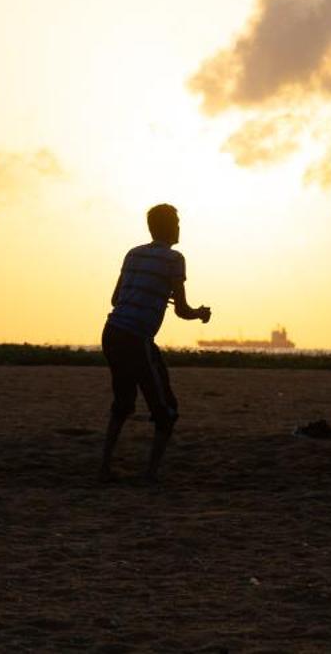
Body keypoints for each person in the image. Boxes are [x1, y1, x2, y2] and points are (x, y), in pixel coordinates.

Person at [99, 203, 212, 483]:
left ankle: (104, 466)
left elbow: (116, 300)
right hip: (136, 337)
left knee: (123, 403)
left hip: (112, 333)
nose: (179, 227)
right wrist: (201, 313)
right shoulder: (175, 259)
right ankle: (150, 474)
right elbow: (182, 310)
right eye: (176, 222)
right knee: (166, 410)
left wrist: (155, 292)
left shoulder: (133, 254)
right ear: (169, 227)